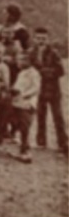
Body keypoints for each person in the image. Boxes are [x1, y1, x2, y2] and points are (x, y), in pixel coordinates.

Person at [31, 27, 68, 155]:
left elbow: (61, 71)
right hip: (39, 89)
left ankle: (62, 143)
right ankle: (41, 142)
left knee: (57, 116)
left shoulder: (54, 53)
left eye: (43, 39)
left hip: (53, 89)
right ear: (34, 39)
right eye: (38, 38)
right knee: (40, 115)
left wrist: (44, 72)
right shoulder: (32, 52)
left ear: (48, 39)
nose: (41, 41)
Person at [10, 50, 41, 163]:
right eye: (19, 59)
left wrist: (23, 95)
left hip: (27, 104)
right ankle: (20, 147)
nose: (20, 62)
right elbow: (17, 86)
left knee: (25, 127)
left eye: (24, 59)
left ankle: (26, 151)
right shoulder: (21, 73)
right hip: (17, 102)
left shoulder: (34, 73)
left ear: (30, 61)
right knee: (16, 123)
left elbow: (35, 88)